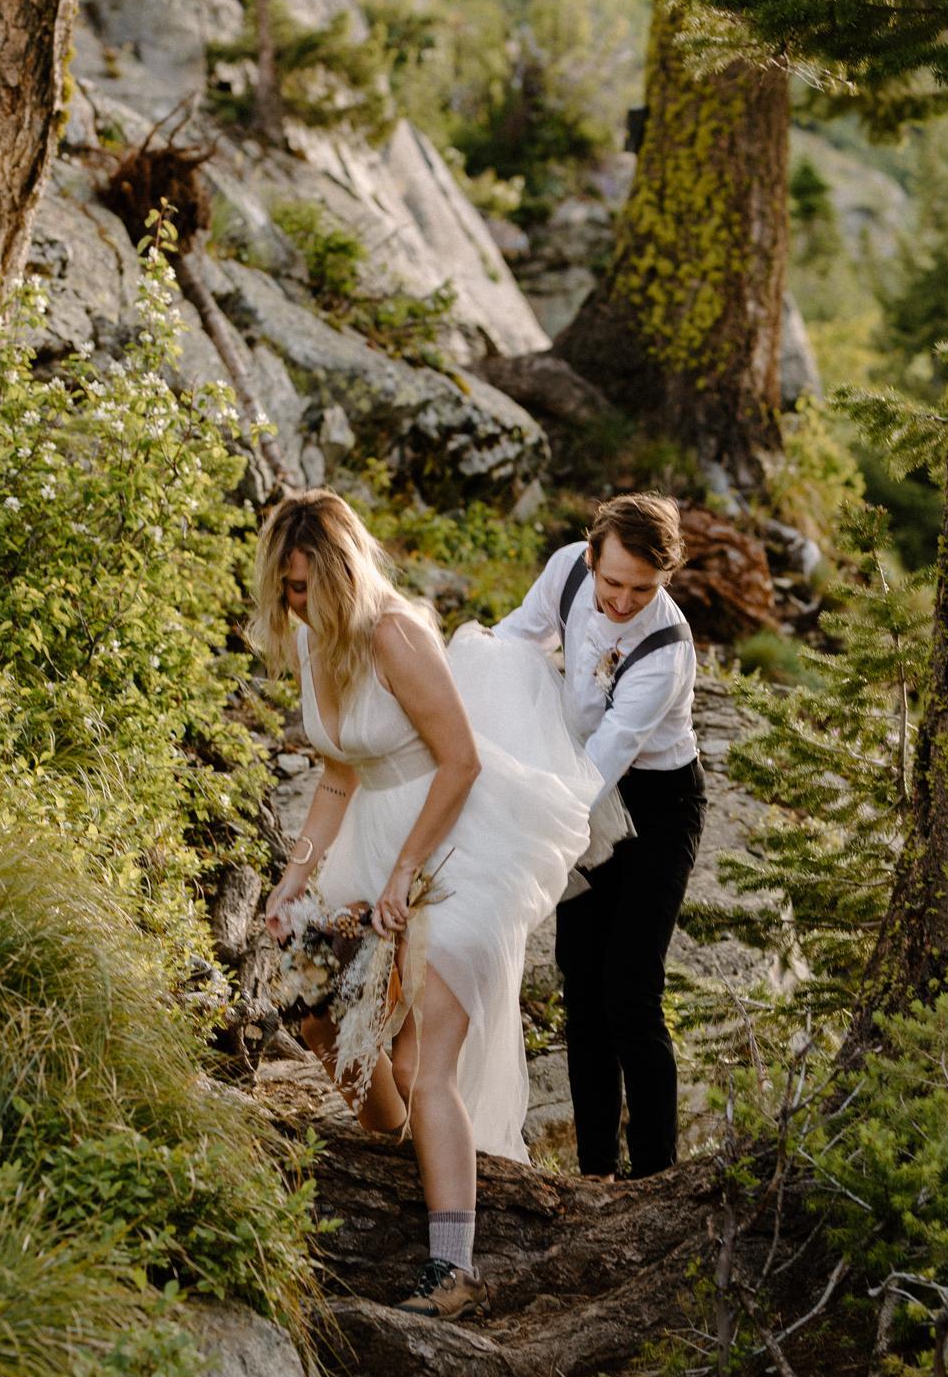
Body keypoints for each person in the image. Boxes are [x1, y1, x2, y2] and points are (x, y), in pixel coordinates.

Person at [254, 490, 603, 1320]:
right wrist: (296, 874)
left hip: (455, 846)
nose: (296, 602)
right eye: (286, 588)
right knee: (313, 1003)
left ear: (344, 572)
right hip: (368, 839)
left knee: (426, 1065)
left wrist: (404, 874)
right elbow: (337, 774)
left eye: (307, 585)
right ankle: (396, 1137)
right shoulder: (311, 642)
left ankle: (452, 1269)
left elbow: (461, 762)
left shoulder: (394, 634)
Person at [497, 493, 705, 1180]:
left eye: (642, 589)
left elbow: (602, 765)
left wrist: (524, 824)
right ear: (590, 555)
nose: (622, 600)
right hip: (575, 779)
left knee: (629, 990)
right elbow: (516, 640)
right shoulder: (566, 569)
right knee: (581, 984)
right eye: (612, 582)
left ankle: (654, 1176)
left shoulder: (666, 651)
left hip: (653, 805)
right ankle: (595, 1174)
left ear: (665, 578)